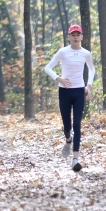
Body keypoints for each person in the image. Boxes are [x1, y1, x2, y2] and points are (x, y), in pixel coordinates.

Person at [44, 24, 94, 172]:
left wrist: (88, 86)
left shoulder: (86, 53)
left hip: (79, 91)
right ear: (69, 37)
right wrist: (58, 79)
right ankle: (68, 140)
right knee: (67, 126)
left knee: (77, 124)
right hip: (64, 92)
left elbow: (91, 69)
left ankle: (75, 159)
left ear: (82, 37)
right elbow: (47, 68)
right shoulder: (63, 52)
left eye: (78, 34)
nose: (76, 37)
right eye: (73, 34)